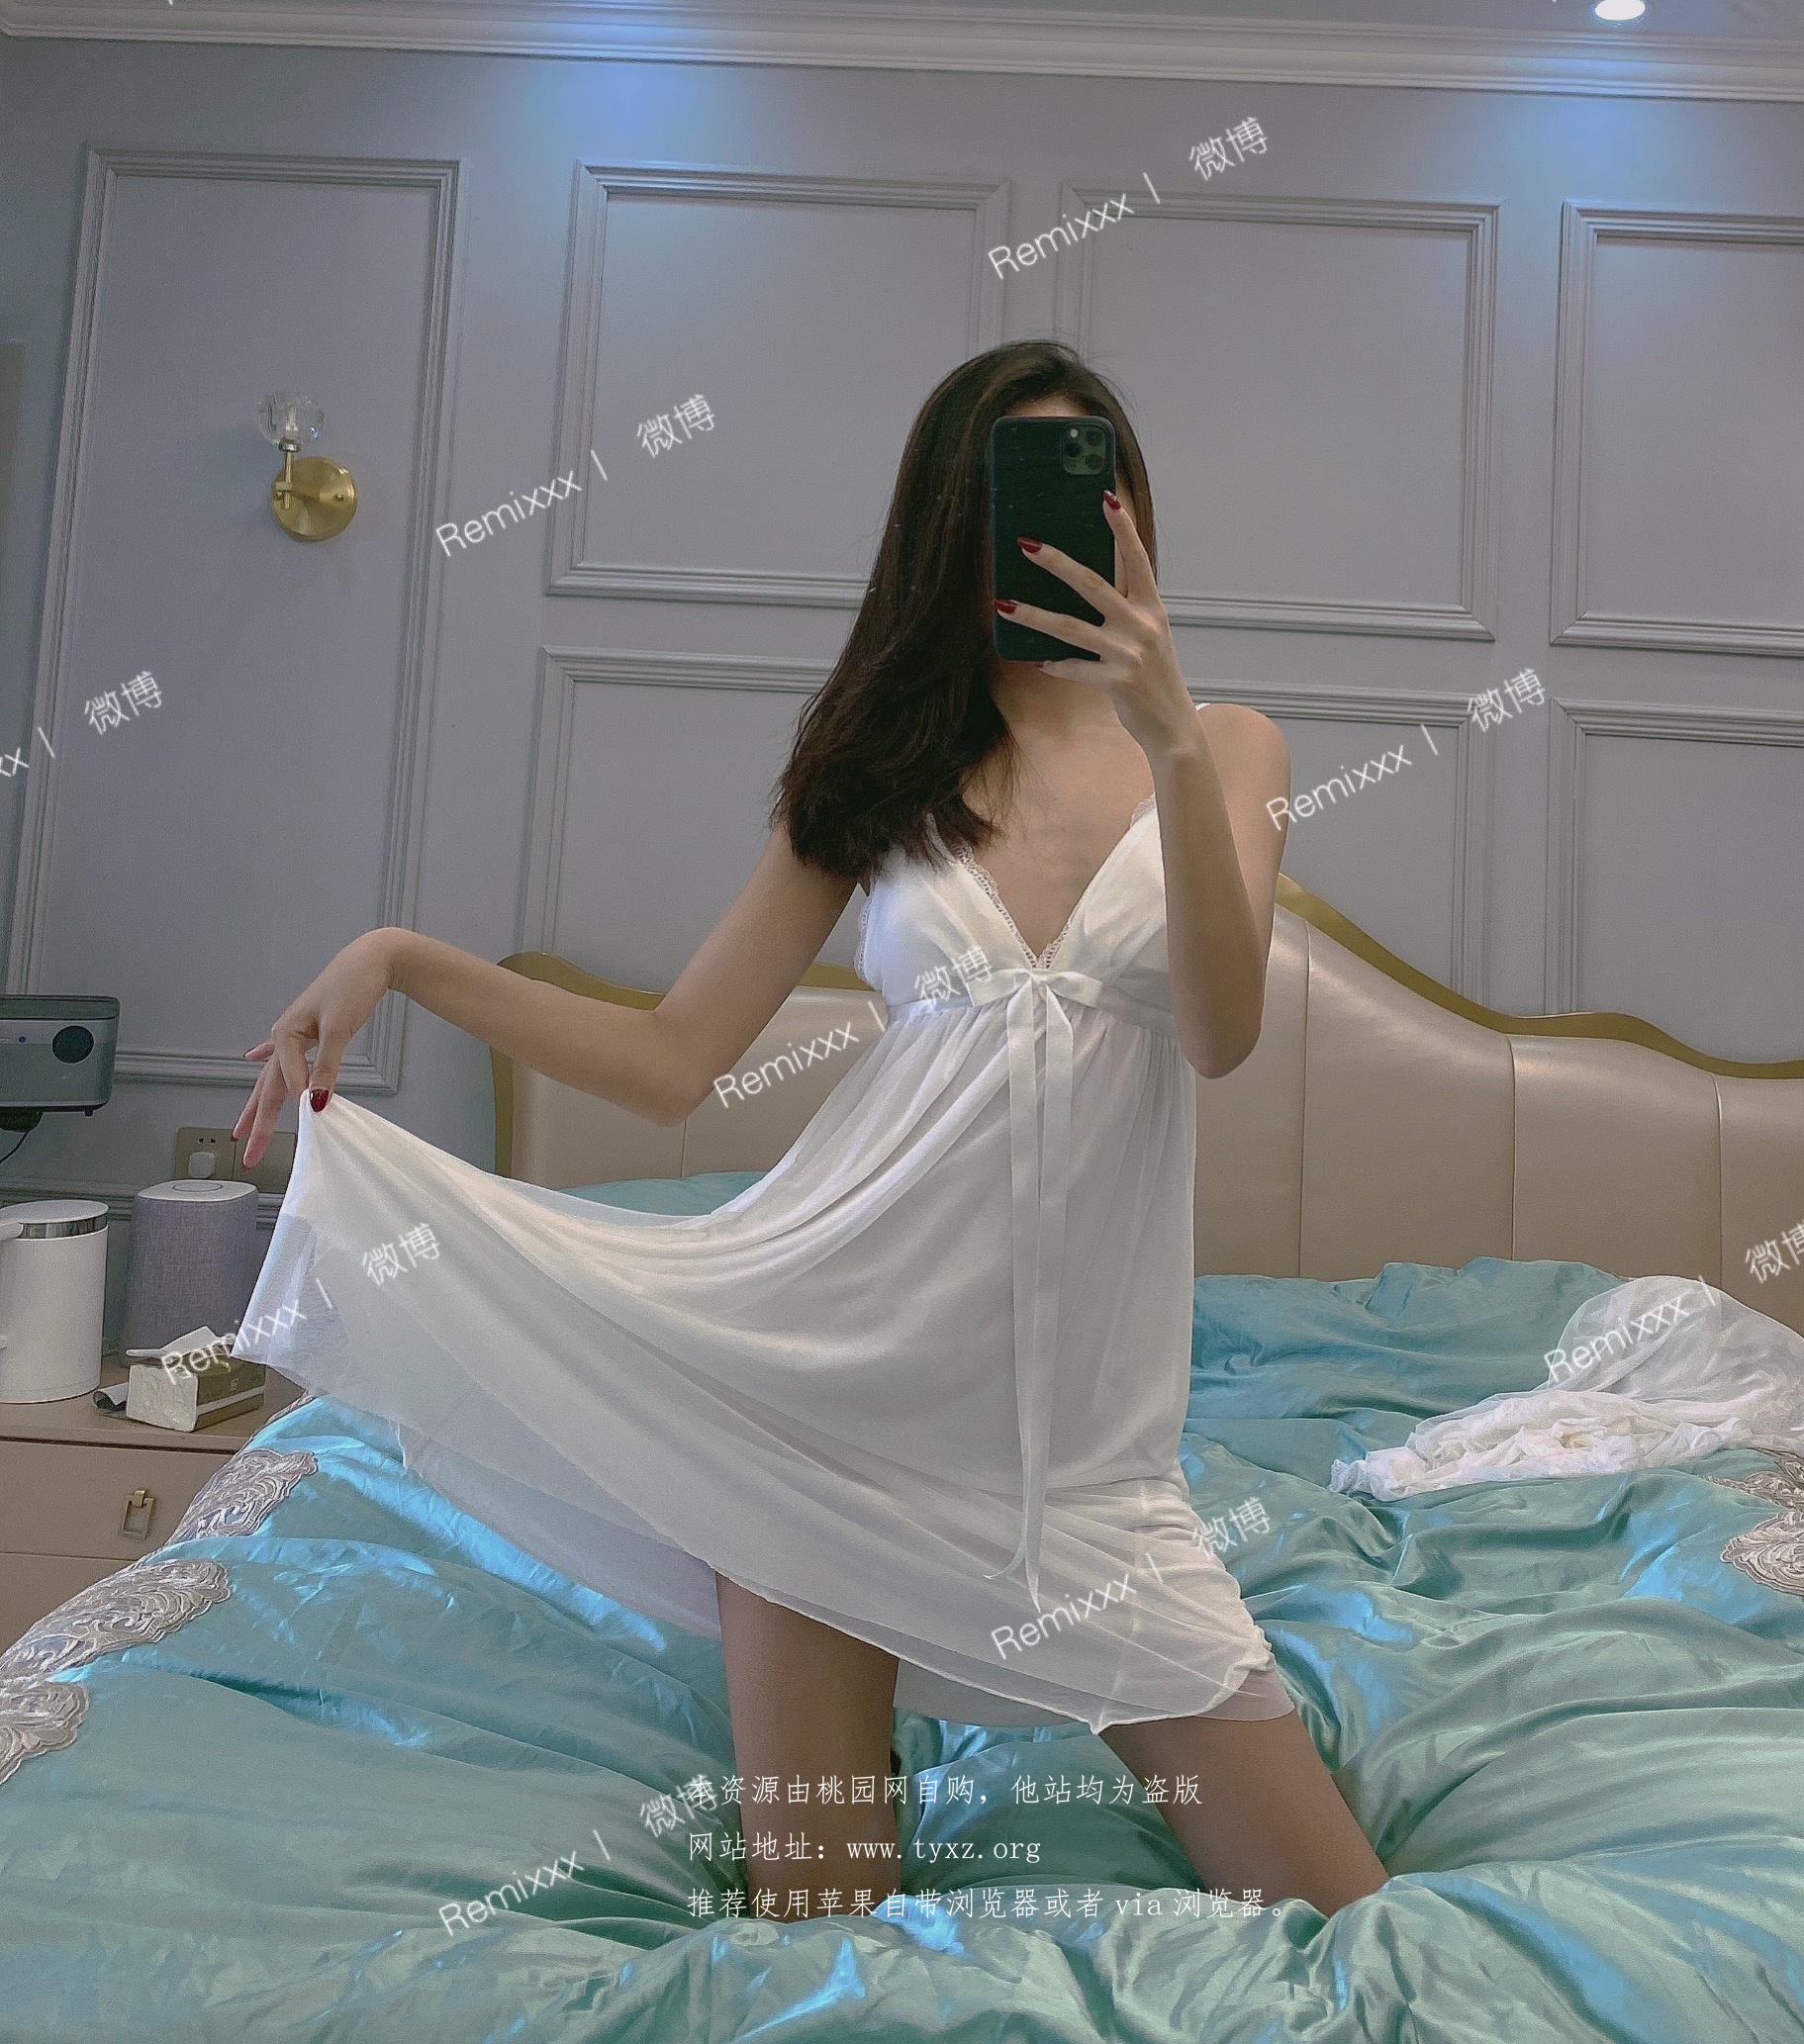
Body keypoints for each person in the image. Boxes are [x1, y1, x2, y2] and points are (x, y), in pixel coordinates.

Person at [234, 340, 1388, 1923]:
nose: (1071, 524)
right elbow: (669, 1060)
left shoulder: (1231, 747)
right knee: (818, 1936)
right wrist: (402, 958)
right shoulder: (876, 764)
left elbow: (1218, 1032)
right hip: (815, 1407)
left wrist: (1170, 736)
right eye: (1018, 493)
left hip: (1084, 1467)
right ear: (951, 525)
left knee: (1337, 1907)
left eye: (1097, 484)